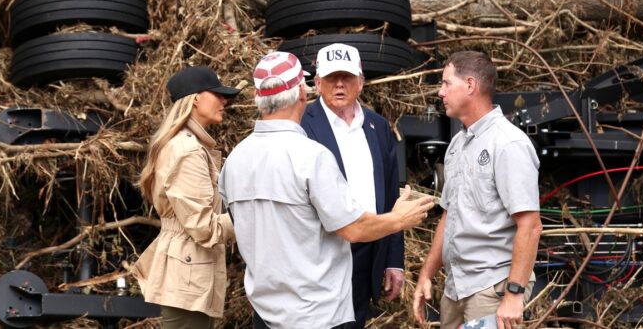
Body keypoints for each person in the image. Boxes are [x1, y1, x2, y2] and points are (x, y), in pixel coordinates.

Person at [219, 51, 434, 329]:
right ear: (303, 92)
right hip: (315, 311)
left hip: (266, 309)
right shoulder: (311, 156)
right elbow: (352, 229)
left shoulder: (235, 159)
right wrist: (399, 219)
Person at [412, 51, 542, 329]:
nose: (441, 91)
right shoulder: (457, 145)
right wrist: (426, 275)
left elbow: (530, 226)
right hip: (456, 289)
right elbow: (449, 216)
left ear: (470, 85)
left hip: (492, 288)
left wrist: (513, 295)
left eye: (447, 83)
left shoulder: (508, 144)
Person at [300, 43, 404, 328]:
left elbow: (392, 197)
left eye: (346, 77)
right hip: (322, 254)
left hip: (368, 251)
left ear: (361, 82)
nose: (340, 85)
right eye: (332, 78)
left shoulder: (378, 126)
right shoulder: (301, 125)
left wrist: (394, 260)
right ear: (317, 83)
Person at [133, 66, 239, 329]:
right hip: (189, 276)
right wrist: (247, 217)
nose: (224, 101)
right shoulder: (187, 150)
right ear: (195, 98)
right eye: (217, 94)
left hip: (188, 271)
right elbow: (204, 228)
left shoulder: (188, 145)